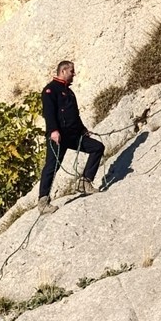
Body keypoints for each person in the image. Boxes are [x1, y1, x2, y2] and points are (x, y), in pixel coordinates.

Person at [37, 60, 104, 212]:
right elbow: (48, 113)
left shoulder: (69, 92)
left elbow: (74, 115)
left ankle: (85, 182)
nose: (74, 74)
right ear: (63, 71)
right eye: (71, 71)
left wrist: (83, 130)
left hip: (73, 135)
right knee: (52, 166)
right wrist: (53, 131)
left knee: (97, 147)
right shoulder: (50, 90)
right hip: (58, 136)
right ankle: (43, 201)